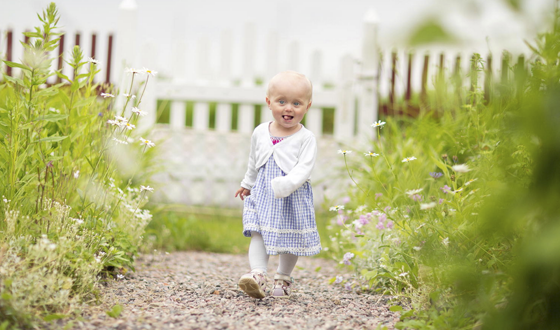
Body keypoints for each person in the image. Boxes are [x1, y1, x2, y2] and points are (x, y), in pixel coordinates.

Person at [234, 71, 322, 299]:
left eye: (296, 103)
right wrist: (247, 183)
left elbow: (304, 168)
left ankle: (282, 278)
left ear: (307, 106)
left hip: (291, 195)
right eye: (281, 102)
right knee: (258, 232)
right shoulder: (260, 132)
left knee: (289, 238)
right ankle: (258, 275)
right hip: (262, 192)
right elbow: (254, 161)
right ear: (269, 102)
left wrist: (287, 184)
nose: (288, 108)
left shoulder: (306, 138)